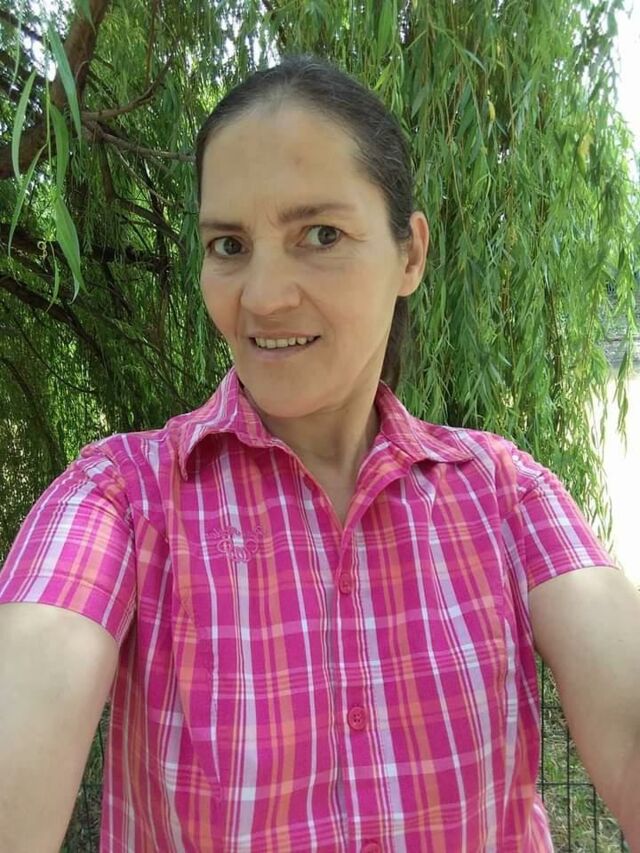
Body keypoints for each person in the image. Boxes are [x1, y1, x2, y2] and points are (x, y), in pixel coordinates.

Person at [1, 53, 639, 853]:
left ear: (410, 255)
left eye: (321, 234)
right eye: (229, 244)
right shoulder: (120, 500)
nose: (263, 296)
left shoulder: (504, 492)